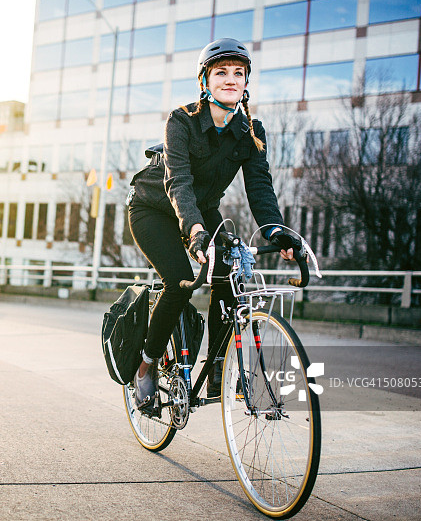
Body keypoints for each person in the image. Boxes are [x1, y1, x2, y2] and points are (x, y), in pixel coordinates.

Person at [127, 38, 301, 408]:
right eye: (221, 72)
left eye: (238, 73)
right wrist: (194, 231)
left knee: (230, 268)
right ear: (205, 81)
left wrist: (275, 229)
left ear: (245, 84)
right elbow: (179, 182)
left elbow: (259, 186)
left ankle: (220, 366)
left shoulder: (251, 131)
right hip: (154, 207)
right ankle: (147, 364)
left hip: (203, 211)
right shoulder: (182, 121)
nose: (231, 79)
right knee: (180, 282)